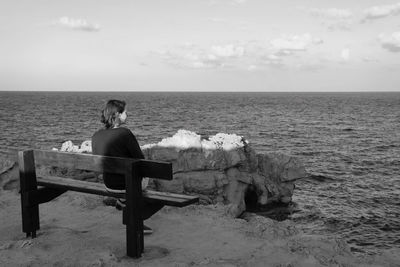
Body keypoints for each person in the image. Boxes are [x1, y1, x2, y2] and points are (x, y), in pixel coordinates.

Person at [92, 99, 153, 234]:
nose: (128, 114)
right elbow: (140, 160)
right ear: (117, 115)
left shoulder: (96, 135)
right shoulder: (124, 133)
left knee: (132, 177)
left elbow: (97, 163)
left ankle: (122, 200)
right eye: (125, 112)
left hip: (108, 184)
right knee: (142, 177)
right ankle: (136, 222)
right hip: (125, 185)